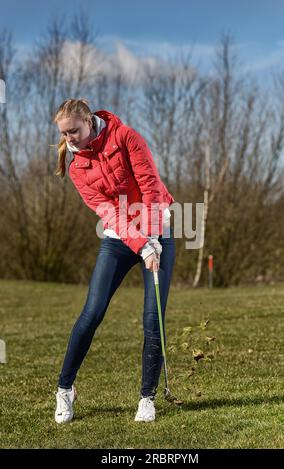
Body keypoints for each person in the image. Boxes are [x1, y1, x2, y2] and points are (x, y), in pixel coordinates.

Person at [52, 98, 175, 423]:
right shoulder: (77, 168)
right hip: (119, 238)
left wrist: (152, 238)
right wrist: (140, 244)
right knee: (92, 313)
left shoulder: (126, 137)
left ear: (89, 122)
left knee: (153, 319)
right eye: (65, 134)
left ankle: (146, 398)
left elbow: (150, 186)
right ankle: (65, 389)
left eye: (74, 131)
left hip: (157, 229)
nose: (70, 139)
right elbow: (109, 212)